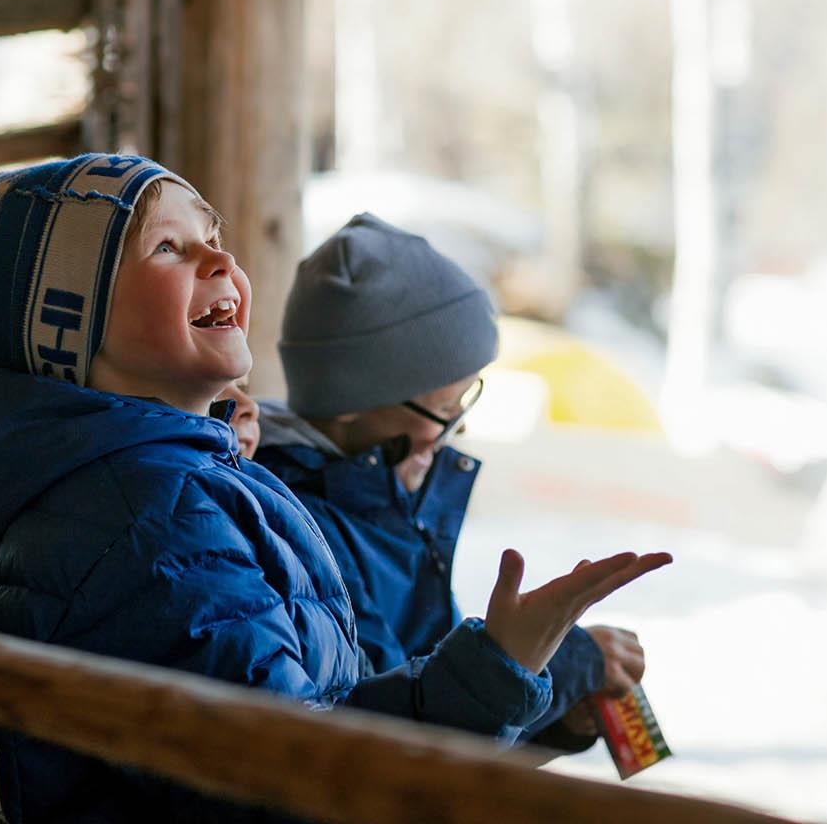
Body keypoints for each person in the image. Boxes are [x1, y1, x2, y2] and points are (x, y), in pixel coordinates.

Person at [0, 156, 668, 823]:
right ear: (70, 326)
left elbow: (327, 704)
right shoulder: (146, 523)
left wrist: (522, 678)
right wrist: (508, 669)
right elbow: (275, 779)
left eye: (215, 239)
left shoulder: (185, 486)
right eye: (167, 249)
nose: (221, 262)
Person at [254, 213, 647, 751]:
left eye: (466, 402)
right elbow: (398, 731)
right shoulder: (305, 517)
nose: (453, 431)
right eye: (443, 409)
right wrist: (566, 665)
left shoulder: (383, 494)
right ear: (348, 399)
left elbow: (440, 687)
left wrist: (555, 714)